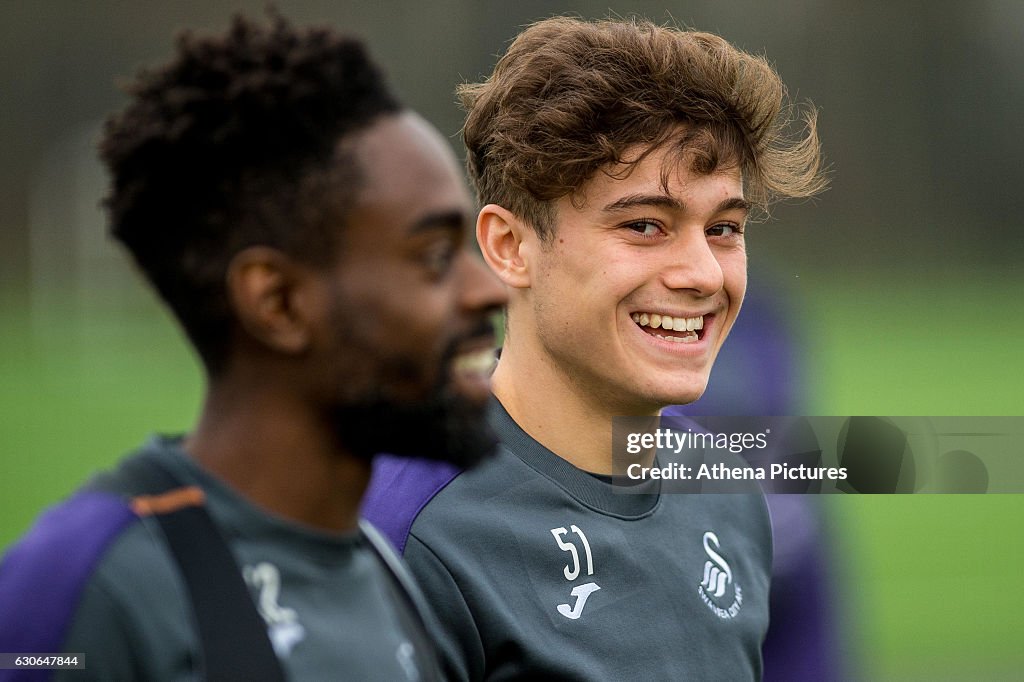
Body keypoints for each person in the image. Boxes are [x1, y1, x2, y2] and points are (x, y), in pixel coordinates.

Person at [0, 12, 505, 681]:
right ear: (279, 303)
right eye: (435, 256)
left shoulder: (383, 567)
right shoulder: (83, 587)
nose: (489, 289)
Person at [362, 16, 826, 680]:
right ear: (509, 247)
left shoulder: (728, 494)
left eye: (724, 228)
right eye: (644, 225)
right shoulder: (407, 528)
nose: (702, 272)